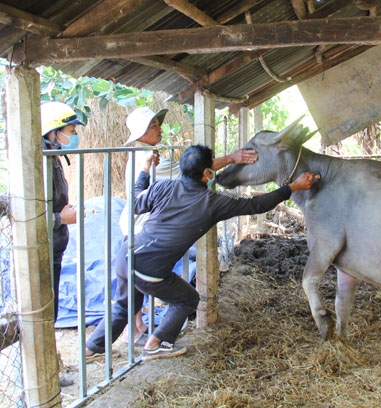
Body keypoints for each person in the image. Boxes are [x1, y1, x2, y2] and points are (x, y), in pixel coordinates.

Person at [85, 144, 319, 361]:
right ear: (207, 174)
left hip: (126, 256)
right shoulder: (212, 202)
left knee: (124, 306)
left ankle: (92, 350)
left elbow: (136, 203)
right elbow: (255, 205)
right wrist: (292, 188)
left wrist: (145, 171)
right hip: (151, 270)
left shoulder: (164, 186)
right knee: (188, 299)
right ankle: (155, 343)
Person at [117, 107, 259, 347]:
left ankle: (136, 330)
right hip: (142, 228)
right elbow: (190, 174)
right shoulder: (147, 158)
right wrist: (232, 158)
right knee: (151, 287)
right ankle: (143, 338)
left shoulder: (148, 154)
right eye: (153, 125)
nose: (159, 127)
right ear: (141, 133)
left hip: (140, 227)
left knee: (131, 284)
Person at [41, 101, 85, 387]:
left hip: (55, 245)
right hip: (42, 248)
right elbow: (30, 213)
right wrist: (60, 217)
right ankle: (41, 378)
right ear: (52, 132)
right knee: (42, 312)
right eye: (69, 130)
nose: (72, 135)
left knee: (52, 311)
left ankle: (49, 373)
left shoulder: (53, 158)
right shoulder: (38, 162)